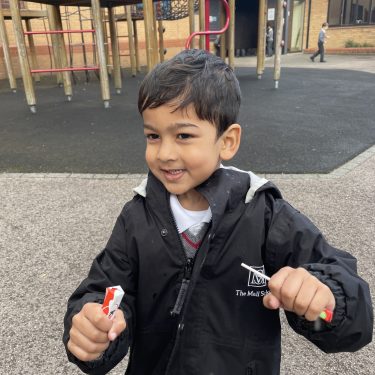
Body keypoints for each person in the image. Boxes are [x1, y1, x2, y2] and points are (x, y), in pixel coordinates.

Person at [63, 49, 373, 375]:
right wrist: (92, 326)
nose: (165, 153)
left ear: (227, 142)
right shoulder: (137, 218)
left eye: (183, 135)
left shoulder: (263, 214)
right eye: (153, 136)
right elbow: (106, 291)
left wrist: (326, 295)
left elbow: (353, 314)